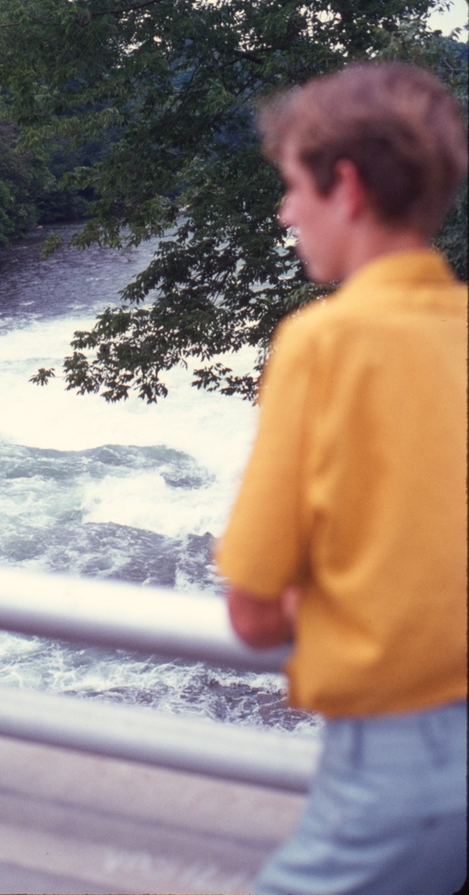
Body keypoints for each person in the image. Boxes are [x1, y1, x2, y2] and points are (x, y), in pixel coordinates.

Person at [217, 61, 467, 895]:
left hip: (405, 770)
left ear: (347, 188)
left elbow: (252, 613)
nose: (286, 212)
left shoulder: (322, 344)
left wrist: (318, 600)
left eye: (293, 187)